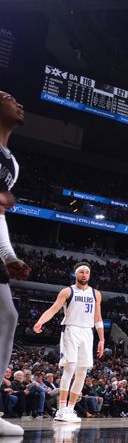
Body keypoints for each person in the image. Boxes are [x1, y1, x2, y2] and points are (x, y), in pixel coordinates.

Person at [33, 262, 105, 423]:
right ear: (76, 274)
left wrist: (102, 339)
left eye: (87, 272)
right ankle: (61, 409)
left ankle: (70, 409)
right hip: (71, 330)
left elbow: (98, 317)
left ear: (90, 275)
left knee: (82, 372)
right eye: (81, 272)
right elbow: (53, 309)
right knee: (70, 368)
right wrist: (40, 321)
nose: (84, 275)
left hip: (87, 332)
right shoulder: (67, 291)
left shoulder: (96, 294)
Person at [0, 92, 28, 436]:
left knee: (8, 316)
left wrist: (9, 257)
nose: (18, 103)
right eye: (8, 98)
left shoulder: (11, 163)